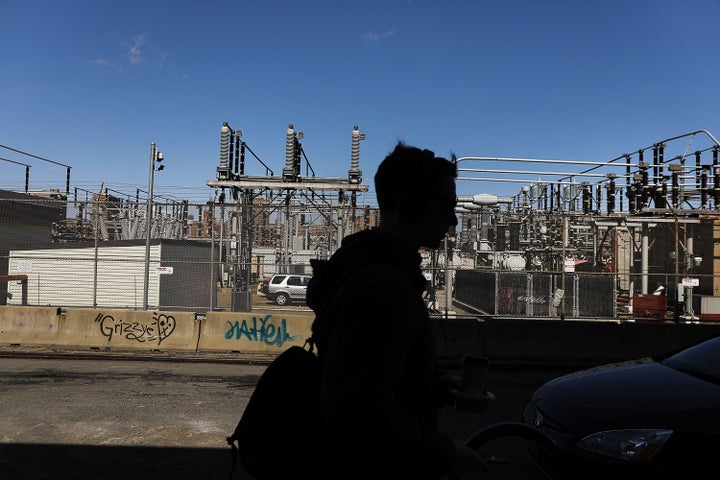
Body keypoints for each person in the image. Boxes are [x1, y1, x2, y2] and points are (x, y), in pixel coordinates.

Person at [307, 141, 486, 479]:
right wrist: (446, 453)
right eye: (445, 206)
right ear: (409, 203)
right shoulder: (384, 287)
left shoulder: (374, 270)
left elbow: (374, 379)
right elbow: (359, 409)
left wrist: (434, 388)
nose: (453, 221)